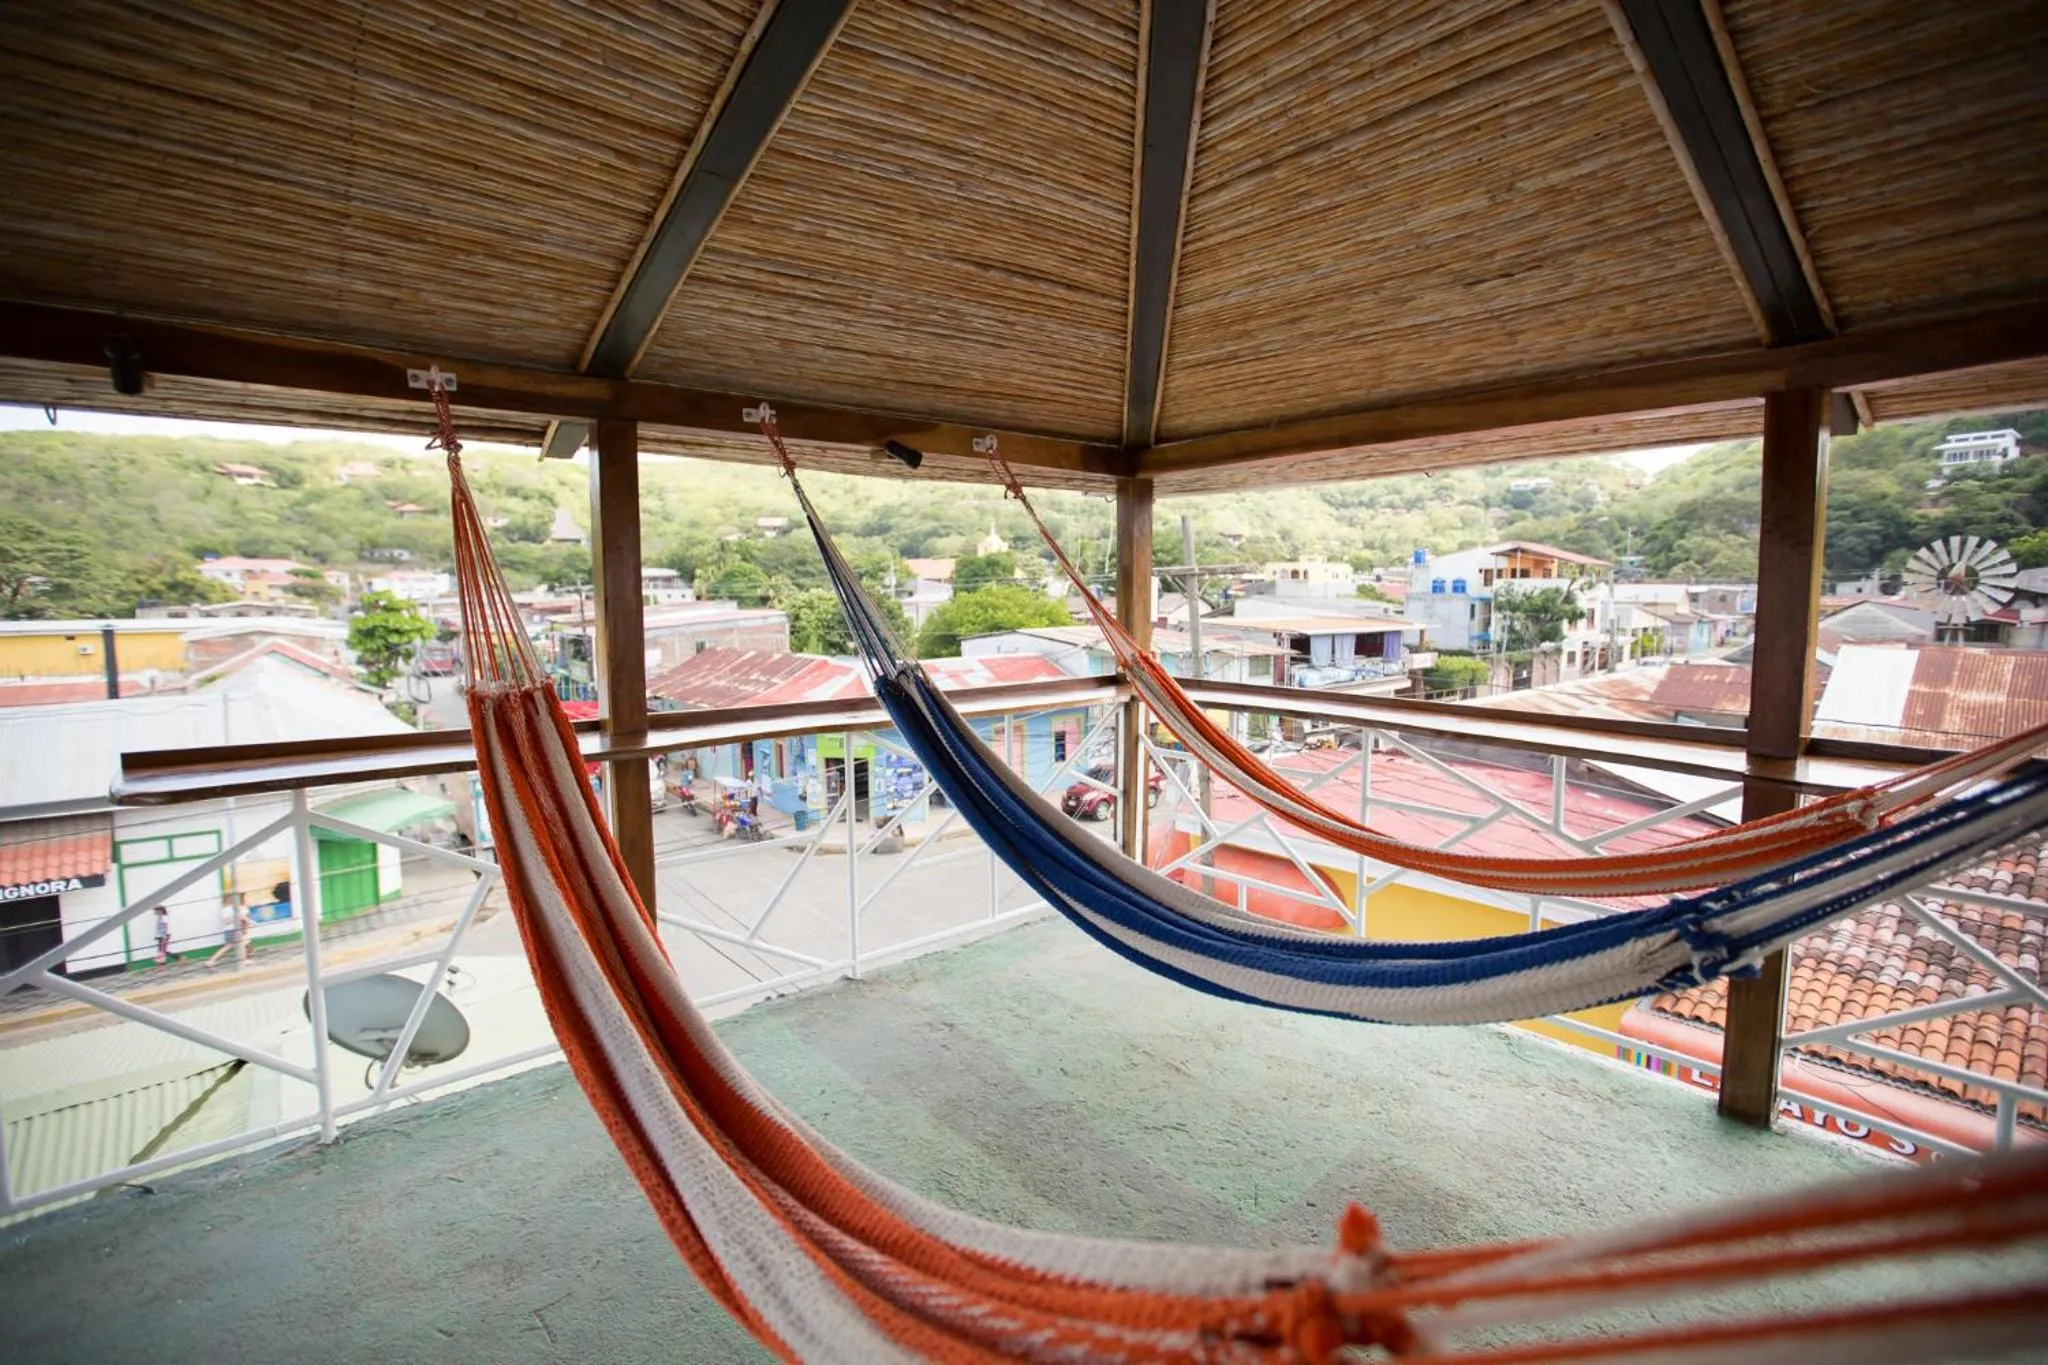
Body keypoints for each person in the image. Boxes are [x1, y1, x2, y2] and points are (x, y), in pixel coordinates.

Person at [205, 898, 253, 971]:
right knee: (241, 944)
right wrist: (239, 918)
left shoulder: (225, 909)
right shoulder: (230, 909)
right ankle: (244, 960)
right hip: (234, 930)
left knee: (229, 946)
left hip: (229, 931)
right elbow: (227, 921)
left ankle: (211, 961)